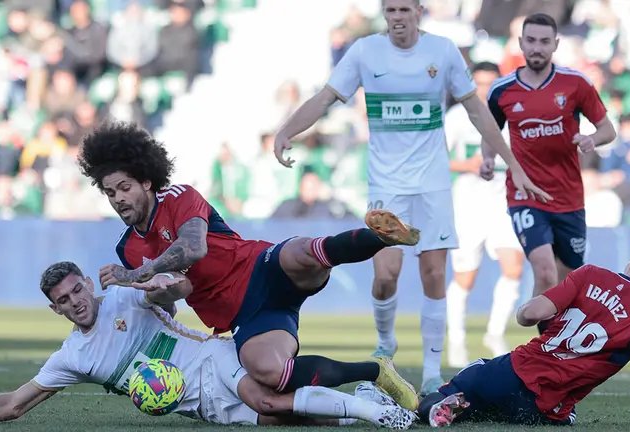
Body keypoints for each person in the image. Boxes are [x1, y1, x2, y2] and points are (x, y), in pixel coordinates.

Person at [272, 0, 551, 396]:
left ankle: (432, 371)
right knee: (385, 275)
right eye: (391, 10)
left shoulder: (443, 51)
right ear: (384, 14)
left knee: (434, 274)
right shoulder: (365, 52)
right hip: (386, 187)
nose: (398, 17)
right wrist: (286, 131)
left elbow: (477, 111)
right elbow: (324, 98)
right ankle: (386, 342)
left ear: (419, 11)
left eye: (405, 9)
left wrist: (514, 164)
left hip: (433, 184)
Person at [77, 121, 421, 411]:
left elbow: (193, 247)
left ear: (146, 182)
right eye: (110, 192)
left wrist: (138, 273)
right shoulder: (127, 247)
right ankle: (376, 371)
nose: (118, 198)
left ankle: (384, 236)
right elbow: (171, 299)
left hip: (260, 267)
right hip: (244, 314)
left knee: (304, 253)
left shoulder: (180, 196)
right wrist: (155, 294)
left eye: (124, 187)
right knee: (271, 373)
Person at [0, 262, 416, 429]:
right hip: (201, 405)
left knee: (268, 399)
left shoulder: (123, 296)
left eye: (76, 290)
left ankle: (378, 409)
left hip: (212, 358)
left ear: (87, 284)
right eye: (63, 301)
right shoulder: (72, 358)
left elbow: (179, 287)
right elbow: (12, 404)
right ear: (56, 310)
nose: (75, 302)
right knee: (288, 419)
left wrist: (146, 280)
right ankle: (362, 401)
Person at [412, 234, 630, 428]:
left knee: (459, 387)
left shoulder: (590, 274)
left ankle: (442, 404)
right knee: (566, 414)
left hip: (509, 372)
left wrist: (524, 311)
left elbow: (530, 315)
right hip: (544, 405)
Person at [481, 13, 617, 335]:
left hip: (569, 198)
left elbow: (607, 129)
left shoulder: (576, 84)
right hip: (525, 194)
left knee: (566, 281)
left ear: (555, 44)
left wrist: (591, 139)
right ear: (520, 43)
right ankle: (542, 347)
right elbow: (490, 133)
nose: (537, 48)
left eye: (544, 42)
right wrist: (487, 159)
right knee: (544, 270)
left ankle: (553, 341)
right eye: (531, 41)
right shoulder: (502, 90)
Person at [445, 61, 525, 366]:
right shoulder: (457, 116)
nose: (484, 89)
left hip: (505, 199)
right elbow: (436, 157)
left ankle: (495, 333)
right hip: (469, 203)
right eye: (478, 83)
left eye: (490, 83)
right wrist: (468, 165)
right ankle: (456, 337)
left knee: (513, 267)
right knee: (465, 276)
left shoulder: (514, 114)